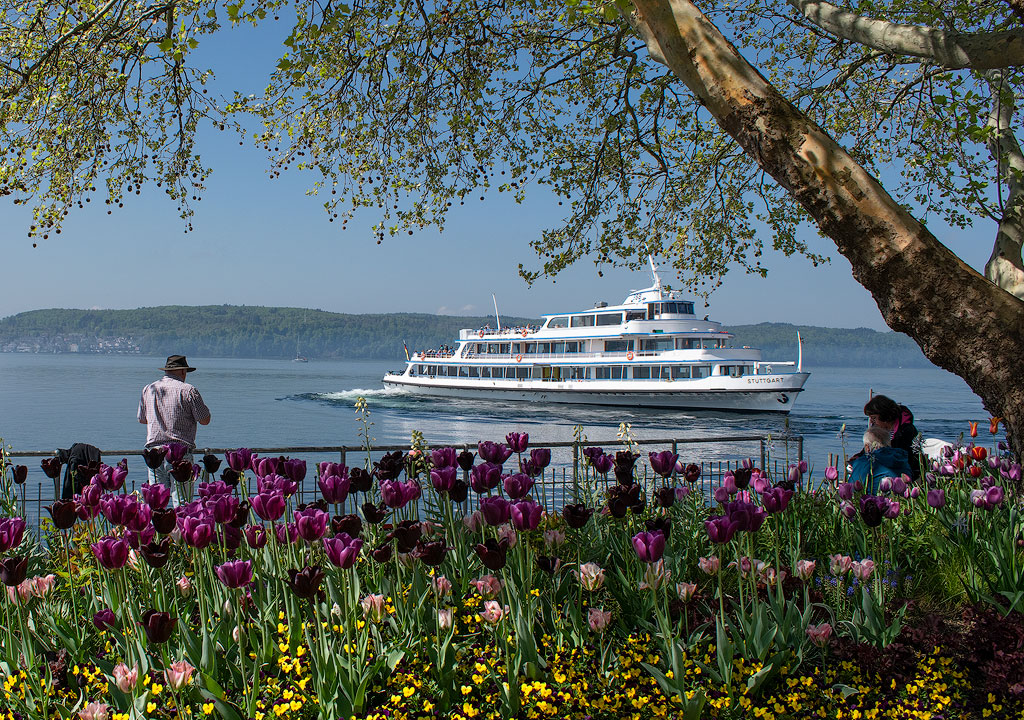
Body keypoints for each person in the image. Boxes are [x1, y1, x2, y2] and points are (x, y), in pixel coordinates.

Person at [138, 355, 211, 504]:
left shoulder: (149, 389)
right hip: (180, 453)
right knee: (182, 502)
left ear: (166, 371)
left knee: (157, 503)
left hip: (155, 454)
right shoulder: (188, 390)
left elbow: (142, 419)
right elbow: (205, 420)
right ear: (183, 371)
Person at [863, 394, 921, 480]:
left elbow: (903, 458)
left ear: (884, 416)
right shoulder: (881, 430)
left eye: (874, 418)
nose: (872, 422)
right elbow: (870, 446)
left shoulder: (905, 431)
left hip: (904, 475)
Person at [849, 426, 912, 494]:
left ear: (867, 447)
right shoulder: (901, 459)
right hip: (902, 498)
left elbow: (853, 488)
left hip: (875, 498)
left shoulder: (865, 461)